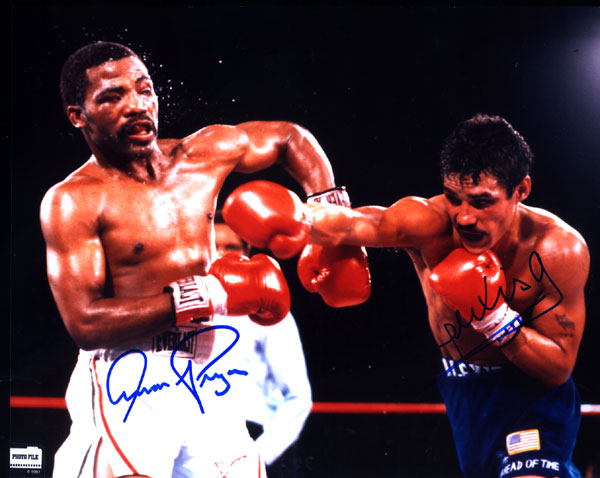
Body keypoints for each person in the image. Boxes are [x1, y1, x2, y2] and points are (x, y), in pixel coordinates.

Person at [40, 40, 352, 478]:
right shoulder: (73, 200)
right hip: (128, 376)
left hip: (213, 365)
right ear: (78, 115)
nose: (136, 106)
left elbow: (289, 138)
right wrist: (208, 294)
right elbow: (86, 323)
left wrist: (329, 220)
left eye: (143, 90)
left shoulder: (201, 156)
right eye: (113, 97)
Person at [223, 114, 590, 478]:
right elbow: (358, 225)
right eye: (454, 198)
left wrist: (495, 318)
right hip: (464, 392)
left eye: (481, 202)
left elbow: (559, 368)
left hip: (533, 398)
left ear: (521, 190)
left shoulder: (558, 250)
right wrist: (296, 217)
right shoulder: (430, 223)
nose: (463, 217)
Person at [213, 216, 312, 477]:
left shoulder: (266, 307)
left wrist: (258, 456)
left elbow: (298, 397)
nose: (221, 254)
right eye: (214, 246)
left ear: (246, 253)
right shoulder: (184, 311)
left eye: (230, 247)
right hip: (196, 442)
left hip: (253, 437)